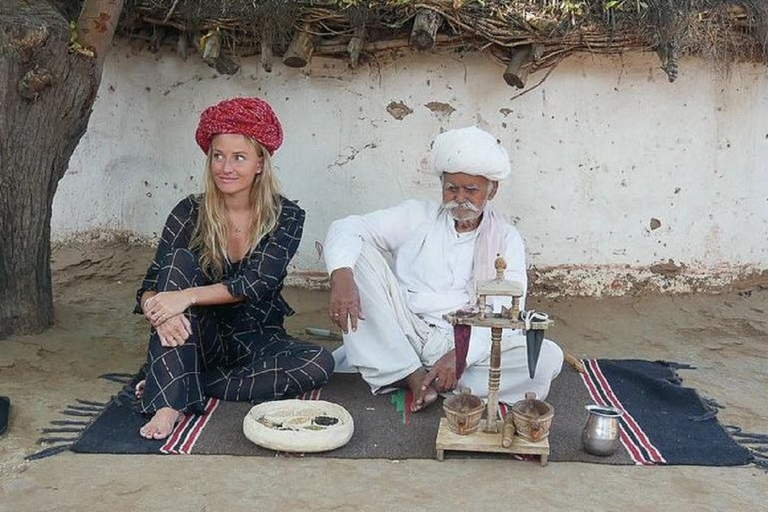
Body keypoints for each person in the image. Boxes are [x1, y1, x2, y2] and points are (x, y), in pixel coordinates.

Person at [323, 126, 563, 412]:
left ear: (492, 190)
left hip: (469, 336)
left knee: (546, 358)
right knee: (355, 255)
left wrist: (459, 355)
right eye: (451, 188)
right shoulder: (417, 215)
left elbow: (504, 312)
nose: (459, 198)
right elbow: (347, 227)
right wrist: (341, 275)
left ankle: (414, 373)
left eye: (471, 190)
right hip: (407, 328)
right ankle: (413, 375)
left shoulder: (507, 238)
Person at [135, 97, 334, 439]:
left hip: (257, 339)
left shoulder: (286, 216)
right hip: (197, 333)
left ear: (260, 162)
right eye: (218, 156)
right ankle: (169, 402)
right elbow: (151, 287)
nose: (226, 167)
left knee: (319, 363)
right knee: (177, 263)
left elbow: (255, 281)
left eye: (239, 157)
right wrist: (161, 312)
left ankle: (181, 377)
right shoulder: (189, 210)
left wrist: (184, 298)